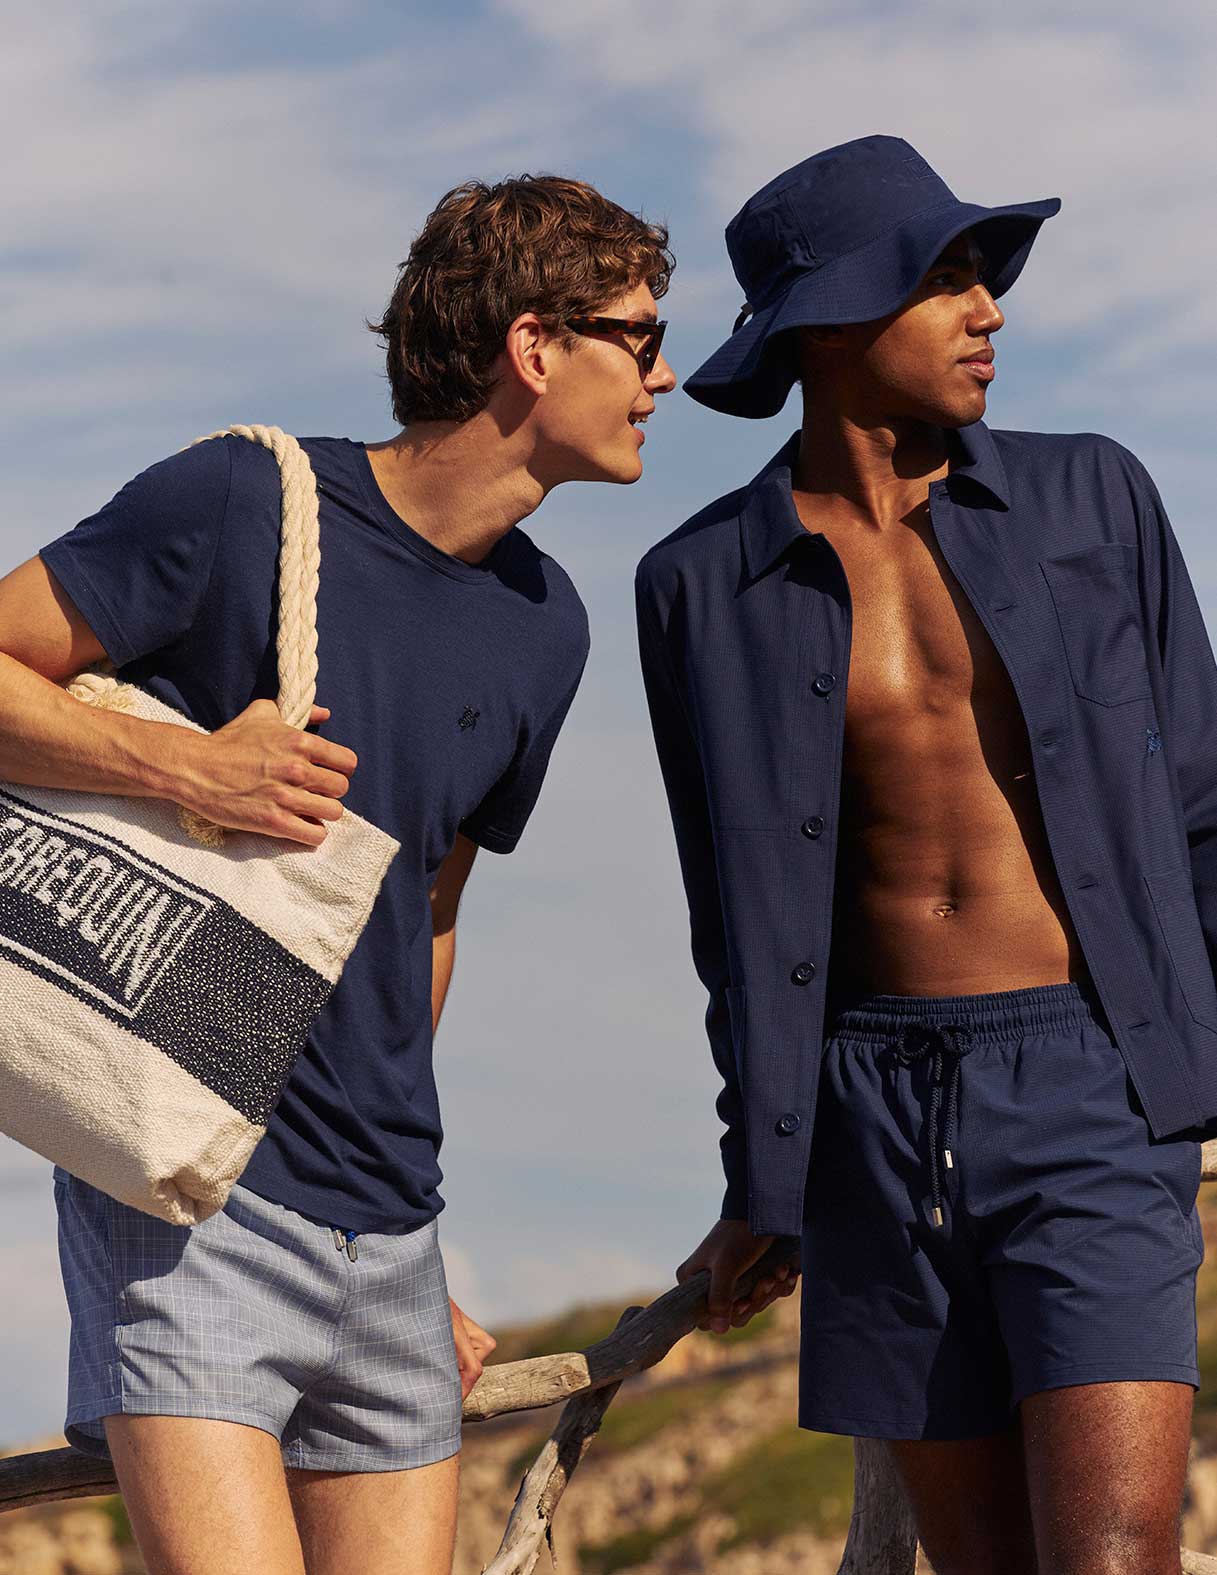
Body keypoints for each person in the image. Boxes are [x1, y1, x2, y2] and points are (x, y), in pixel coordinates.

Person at [0, 172, 675, 1575]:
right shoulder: (248, 501)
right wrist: (183, 770)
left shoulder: (544, 628)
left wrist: (401, 1247)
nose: (661, 375)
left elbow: (426, 917)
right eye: (637, 335)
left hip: (391, 1244)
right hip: (192, 1206)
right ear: (535, 345)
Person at [635, 132, 1213, 1574]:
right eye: (944, 278)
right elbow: (737, 920)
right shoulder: (700, 584)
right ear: (829, 323)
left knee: (1119, 1553)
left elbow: (1201, 801)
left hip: (1090, 1082)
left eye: (981, 277)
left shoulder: (1093, 497)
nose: (988, 311)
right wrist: (758, 1174)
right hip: (867, 1116)